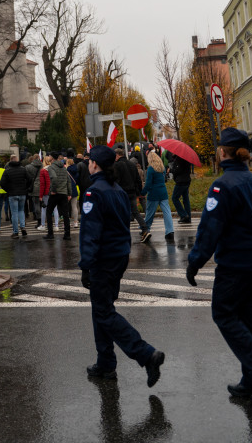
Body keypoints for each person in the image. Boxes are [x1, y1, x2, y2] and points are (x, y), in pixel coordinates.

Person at [187, 127, 252, 404]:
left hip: (235, 264)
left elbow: (210, 230)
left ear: (223, 152)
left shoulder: (222, 185)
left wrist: (194, 263)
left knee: (225, 314)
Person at [79, 145, 165, 385]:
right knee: (102, 310)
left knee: (104, 312)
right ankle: (106, 363)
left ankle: (146, 354)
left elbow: (90, 234)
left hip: (103, 260)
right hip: (119, 257)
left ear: (95, 164)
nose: (88, 163)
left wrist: (85, 265)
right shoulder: (115, 190)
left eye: (90, 161)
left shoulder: (93, 193)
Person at [113, 148, 151, 243]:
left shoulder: (116, 166)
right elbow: (138, 180)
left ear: (117, 155)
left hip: (122, 193)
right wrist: (139, 193)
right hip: (132, 192)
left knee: (121, 213)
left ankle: (123, 234)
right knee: (135, 212)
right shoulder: (132, 165)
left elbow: (115, 181)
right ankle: (145, 229)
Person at [142, 151, 174, 242]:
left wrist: (143, 193)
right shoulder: (162, 168)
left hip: (153, 193)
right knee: (167, 212)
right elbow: (164, 180)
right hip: (163, 192)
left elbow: (148, 184)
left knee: (150, 213)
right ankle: (170, 231)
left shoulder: (151, 169)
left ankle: (146, 230)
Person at [0, 155, 28, 238]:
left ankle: (15, 232)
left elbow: (2, 183)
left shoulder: (7, 171)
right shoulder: (23, 169)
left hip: (12, 194)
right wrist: (25, 188)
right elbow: (29, 179)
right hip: (22, 193)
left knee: (14, 213)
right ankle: (23, 227)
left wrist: (8, 190)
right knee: (21, 211)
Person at [44, 152, 71, 240]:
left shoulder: (51, 167)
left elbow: (54, 178)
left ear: (52, 158)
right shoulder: (63, 167)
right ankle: (67, 234)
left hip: (55, 193)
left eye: (49, 156)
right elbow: (68, 180)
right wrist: (69, 193)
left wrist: (53, 190)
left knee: (48, 212)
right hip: (63, 193)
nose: (48, 157)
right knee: (65, 214)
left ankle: (50, 234)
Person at [170, 154, 192, 224]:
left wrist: (171, 170)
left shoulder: (179, 159)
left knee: (174, 198)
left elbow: (177, 171)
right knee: (186, 199)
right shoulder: (186, 158)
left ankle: (184, 215)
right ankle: (188, 217)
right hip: (187, 181)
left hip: (181, 182)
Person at [26, 153, 43, 228]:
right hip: (42, 186)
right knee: (43, 205)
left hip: (34, 187)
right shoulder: (42, 166)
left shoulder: (28, 167)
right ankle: (43, 220)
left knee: (36, 204)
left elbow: (27, 178)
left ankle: (39, 221)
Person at [66, 158, 80, 227]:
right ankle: (75, 222)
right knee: (74, 206)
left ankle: (66, 222)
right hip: (74, 188)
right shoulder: (76, 169)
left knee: (65, 206)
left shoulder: (67, 170)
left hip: (67, 189)